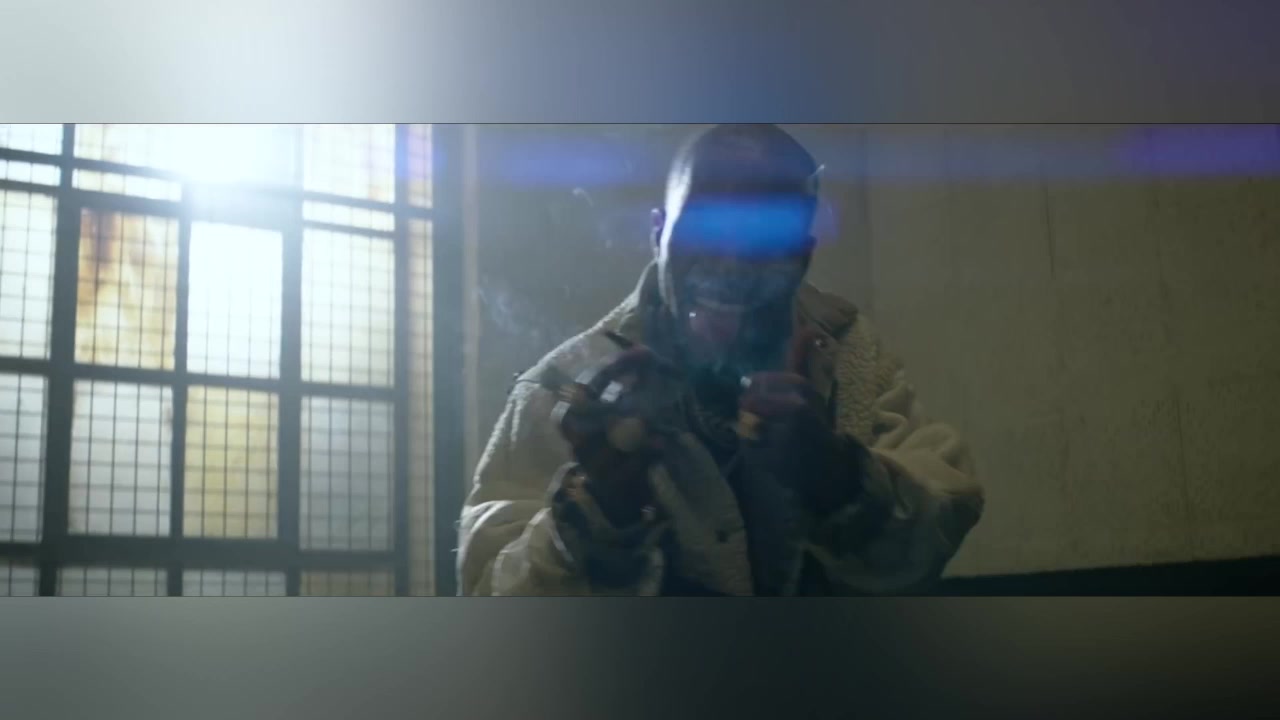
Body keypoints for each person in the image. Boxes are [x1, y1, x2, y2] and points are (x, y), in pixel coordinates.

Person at [457, 124, 984, 596]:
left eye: (764, 235)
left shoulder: (849, 358)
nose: (730, 261)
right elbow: (491, 597)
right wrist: (590, 516)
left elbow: (935, 532)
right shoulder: (566, 390)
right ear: (658, 235)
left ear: (802, 256)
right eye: (704, 226)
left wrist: (838, 474)